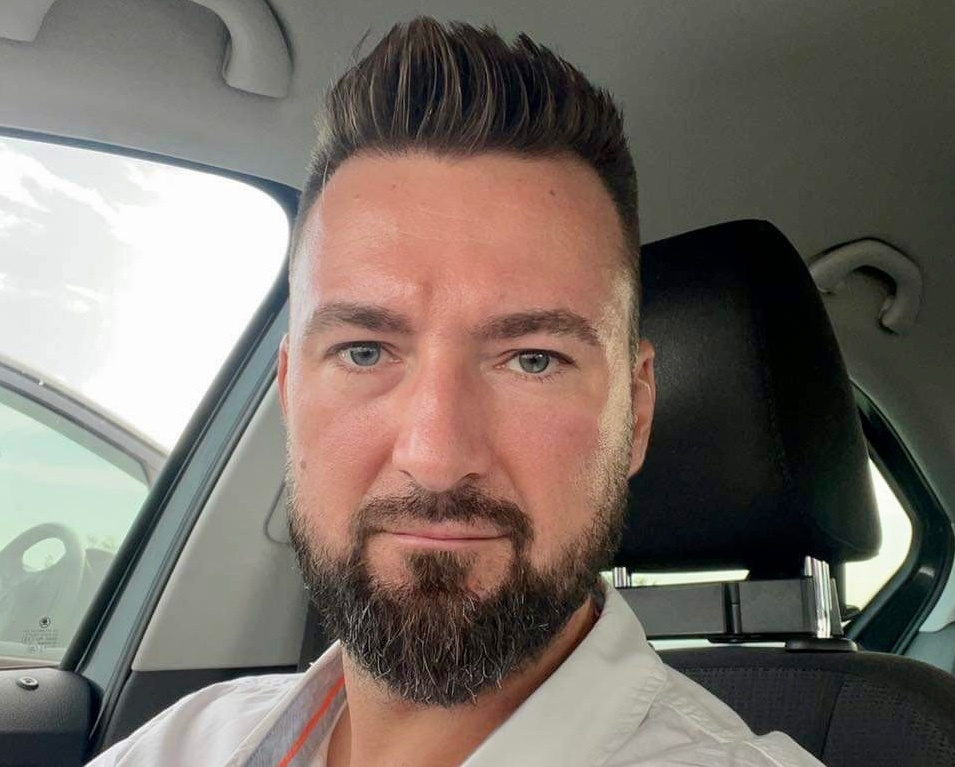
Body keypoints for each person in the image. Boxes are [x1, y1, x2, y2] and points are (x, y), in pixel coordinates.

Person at [87, 17, 822, 767]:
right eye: (364, 351)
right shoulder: (178, 744)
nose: (435, 459)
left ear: (633, 414)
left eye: (532, 359)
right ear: (288, 393)